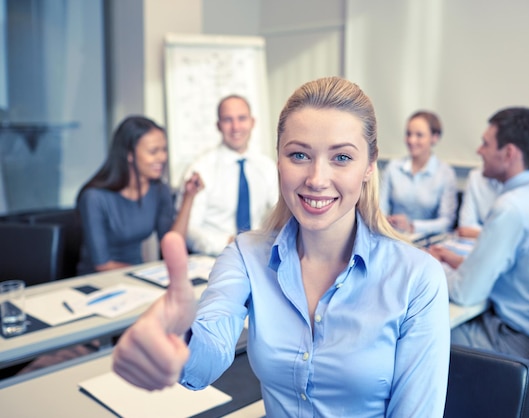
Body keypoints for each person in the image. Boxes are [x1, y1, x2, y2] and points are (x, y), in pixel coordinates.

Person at [113, 77, 450, 417]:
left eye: (342, 158)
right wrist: (179, 338)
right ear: (279, 159)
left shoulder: (416, 278)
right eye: (299, 154)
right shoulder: (246, 256)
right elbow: (208, 356)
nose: (317, 179)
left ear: (369, 166)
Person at [429, 107, 529, 366]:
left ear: (509, 153)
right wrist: (454, 260)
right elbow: (511, 270)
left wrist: (428, 264)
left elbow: (464, 293)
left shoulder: (512, 208)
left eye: (485, 143)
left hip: (516, 342)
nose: (479, 150)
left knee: (424, 333)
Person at [76, 116, 203, 275]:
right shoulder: (94, 197)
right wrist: (148, 273)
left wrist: (188, 197)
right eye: (153, 151)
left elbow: (172, 246)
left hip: (137, 276)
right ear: (129, 154)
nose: (162, 157)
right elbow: (102, 265)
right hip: (98, 281)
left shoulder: (158, 189)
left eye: (164, 150)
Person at [181, 95, 278, 255]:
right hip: (214, 257)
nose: (236, 127)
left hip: (257, 254)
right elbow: (189, 229)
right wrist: (231, 243)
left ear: (252, 122)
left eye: (242, 118)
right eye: (228, 120)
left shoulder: (267, 167)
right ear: (218, 125)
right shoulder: (200, 169)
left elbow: (280, 213)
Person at [380, 110, 457, 237]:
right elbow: (379, 208)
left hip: (426, 242)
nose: (411, 140)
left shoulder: (445, 173)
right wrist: (385, 220)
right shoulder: (393, 168)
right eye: (408, 134)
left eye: (419, 135)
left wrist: (412, 226)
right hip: (392, 236)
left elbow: (446, 222)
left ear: (435, 137)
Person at [456, 167, 503, 238]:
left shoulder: (521, 184)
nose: (479, 154)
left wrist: (475, 233)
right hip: (474, 244)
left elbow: (511, 234)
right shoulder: (475, 176)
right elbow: (465, 227)